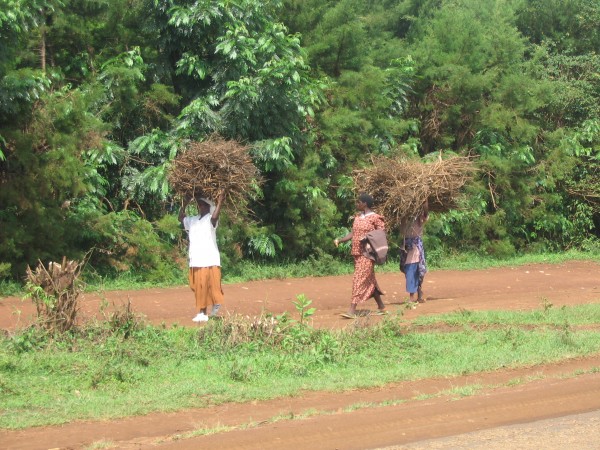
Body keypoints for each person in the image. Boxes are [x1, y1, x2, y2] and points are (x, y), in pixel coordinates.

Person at [334, 193, 386, 318]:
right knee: (369, 281)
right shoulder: (358, 217)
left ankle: (352, 310)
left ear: (365, 204)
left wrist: (368, 238)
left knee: (359, 279)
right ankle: (382, 307)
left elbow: (382, 233)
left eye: (359, 202)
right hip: (357, 254)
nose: (357, 204)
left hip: (367, 254)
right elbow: (353, 233)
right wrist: (340, 240)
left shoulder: (375, 218)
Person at [179, 191, 226, 322]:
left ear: (208, 206)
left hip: (209, 258)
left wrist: (220, 202)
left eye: (203, 204)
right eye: (199, 204)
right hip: (196, 259)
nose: (200, 206)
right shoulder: (193, 220)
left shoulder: (211, 219)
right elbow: (180, 218)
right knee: (198, 287)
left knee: (209, 285)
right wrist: (185, 203)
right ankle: (203, 312)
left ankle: (209, 308)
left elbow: (215, 217)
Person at [400, 200, 429, 303]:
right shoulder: (403, 217)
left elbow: (426, 213)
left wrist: (425, 203)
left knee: (416, 270)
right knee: (410, 271)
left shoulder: (419, 217)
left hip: (415, 247)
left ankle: (415, 294)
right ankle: (415, 294)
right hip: (406, 246)